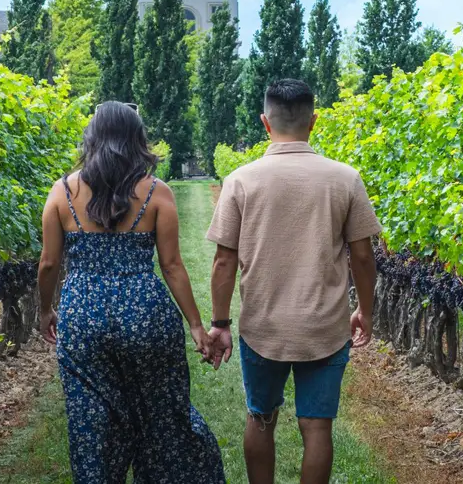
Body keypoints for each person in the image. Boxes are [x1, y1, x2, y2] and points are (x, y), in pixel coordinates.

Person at [38, 101, 225, 484]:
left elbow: (48, 264)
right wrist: (195, 325)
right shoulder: (157, 193)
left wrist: (45, 311)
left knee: (91, 422)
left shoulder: (61, 192)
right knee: (161, 417)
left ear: (92, 138)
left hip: (83, 317)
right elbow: (172, 266)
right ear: (137, 140)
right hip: (145, 315)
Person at [206, 79, 379, 484]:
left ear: (266, 123)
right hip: (325, 326)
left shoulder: (241, 180)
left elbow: (223, 261)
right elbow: (364, 256)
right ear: (313, 121)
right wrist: (365, 312)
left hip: (263, 327)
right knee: (317, 427)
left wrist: (220, 324)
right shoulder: (345, 179)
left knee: (261, 418)